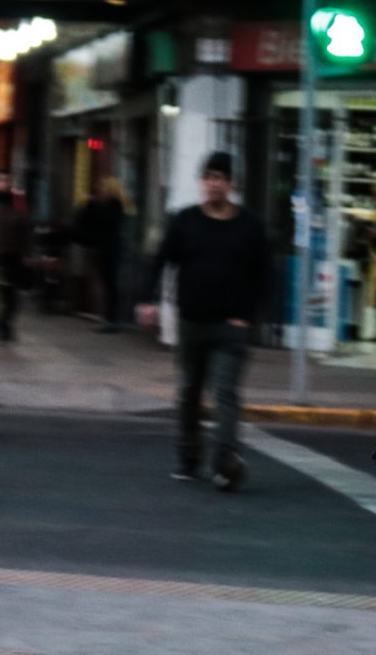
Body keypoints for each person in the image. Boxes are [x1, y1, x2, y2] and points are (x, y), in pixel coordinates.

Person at [138, 151, 270, 492]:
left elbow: (265, 275)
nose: (214, 184)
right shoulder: (185, 221)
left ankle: (226, 462)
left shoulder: (250, 226)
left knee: (225, 393)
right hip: (192, 322)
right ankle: (188, 457)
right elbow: (160, 261)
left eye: (220, 178)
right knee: (189, 392)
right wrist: (147, 300)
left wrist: (249, 318)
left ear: (232, 184)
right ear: (202, 182)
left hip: (231, 326)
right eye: (209, 177)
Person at [73, 175, 129, 330]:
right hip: (103, 249)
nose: (100, 189)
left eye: (103, 187)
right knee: (106, 284)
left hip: (110, 250)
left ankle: (111, 319)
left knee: (110, 285)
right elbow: (86, 222)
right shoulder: (104, 205)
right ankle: (108, 318)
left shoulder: (114, 205)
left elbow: (105, 224)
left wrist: (92, 204)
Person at [0, 186, 28, 345]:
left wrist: (26, 252)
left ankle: (7, 322)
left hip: (14, 255)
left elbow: (26, 226)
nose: (2, 183)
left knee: (12, 293)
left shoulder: (18, 201)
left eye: (5, 179)